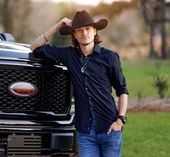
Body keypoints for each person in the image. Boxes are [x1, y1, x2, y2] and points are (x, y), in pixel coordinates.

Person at [30, 10, 128, 157]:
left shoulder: (109, 57)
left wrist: (120, 120)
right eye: (79, 30)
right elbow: (34, 48)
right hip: (85, 132)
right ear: (74, 34)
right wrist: (57, 26)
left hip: (110, 128)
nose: (84, 33)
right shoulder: (69, 55)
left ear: (95, 31)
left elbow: (122, 90)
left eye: (88, 28)